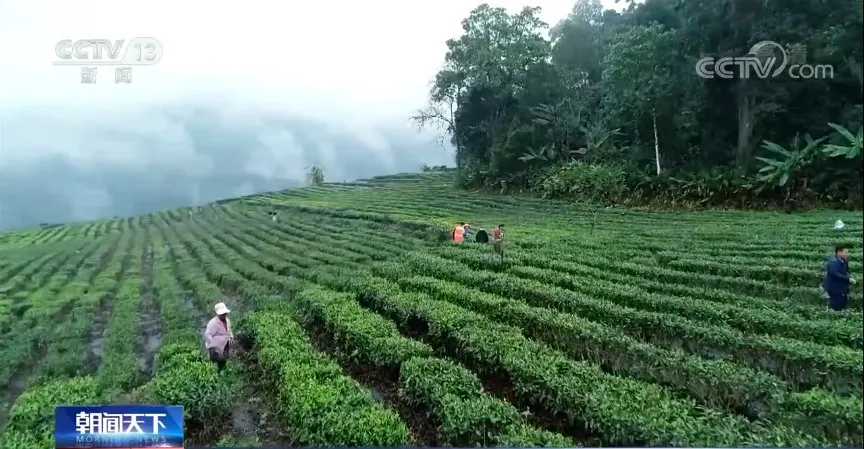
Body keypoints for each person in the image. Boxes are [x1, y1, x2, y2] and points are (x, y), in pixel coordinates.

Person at [204, 302, 234, 372]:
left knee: (224, 360)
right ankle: (216, 373)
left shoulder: (227, 321)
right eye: (222, 314)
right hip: (215, 347)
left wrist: (231, 337)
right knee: (217, 361)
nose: (224, 315)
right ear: (218, 314)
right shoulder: (213, 323)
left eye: (225, 313)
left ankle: (223, 373)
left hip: (225, 344)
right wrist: (213, 346)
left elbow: (229, 330)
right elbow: (208, 335)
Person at [823, 245, 855, 311]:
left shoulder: (843, 261)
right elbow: (834, 273)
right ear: (839, 252)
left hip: (842, 291)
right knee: (836, 308)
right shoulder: (833, 262)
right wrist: (848, 279)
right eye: (845, 252)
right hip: (835, 291)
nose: (847, 254)